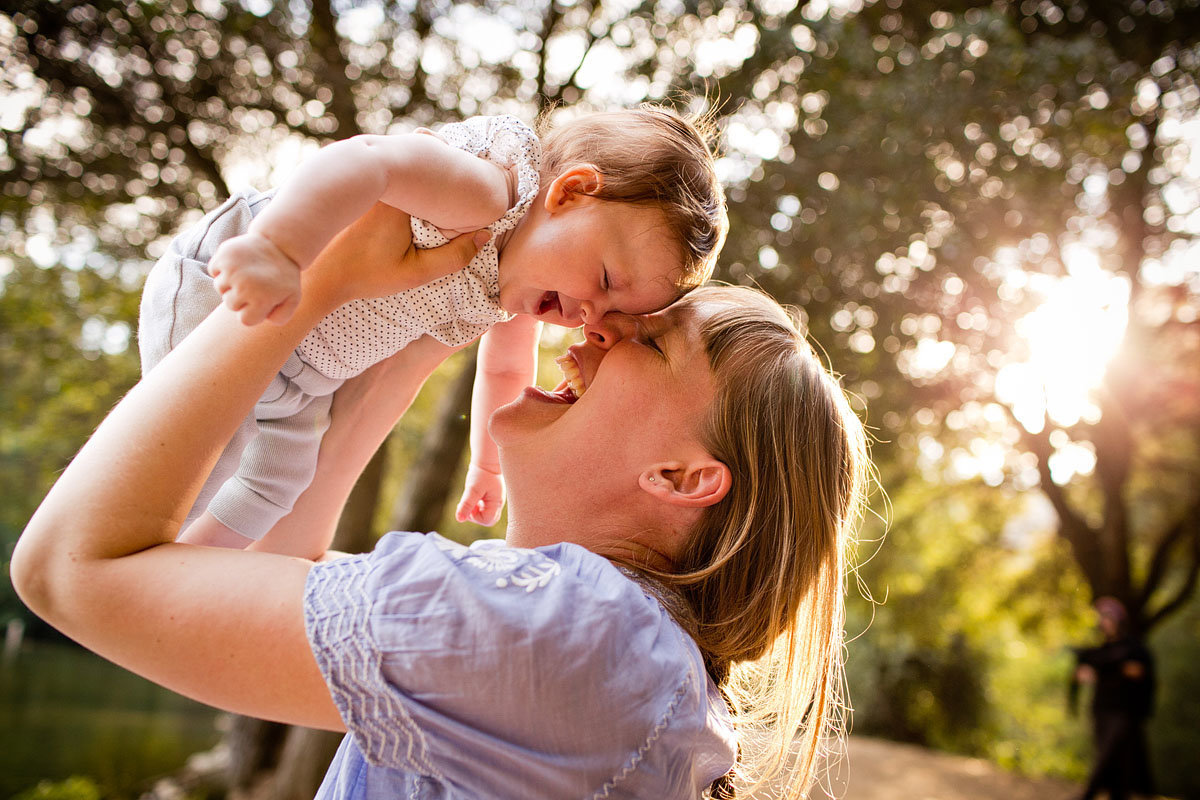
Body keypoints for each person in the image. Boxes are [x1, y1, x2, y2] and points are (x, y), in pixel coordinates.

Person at [12, 209, 868, 798]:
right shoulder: (616, 654)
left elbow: (69, 569)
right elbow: (269, 575)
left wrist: (310, 285)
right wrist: (427, 325)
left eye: (650, 338)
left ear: (683, 479)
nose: (595, 327)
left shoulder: (576, 635)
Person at [138, 106, 726, 551]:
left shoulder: (506, 291)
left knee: (277, 482)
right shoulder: (489, 191)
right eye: (602, 278)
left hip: (301, 371)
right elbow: (367, 160)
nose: (587, 314)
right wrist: (278, 248)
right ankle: (136, 551)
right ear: (570, 192)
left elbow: (504, 371)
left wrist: (488, 465)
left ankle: (188, 571)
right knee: (205, 454)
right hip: (227, 289)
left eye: (609, 313)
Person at [1071, 597, 1156, 800]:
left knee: (1110, 753)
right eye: (1101, 618)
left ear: (1118, 620)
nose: (1104, 622)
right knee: (1115, 757)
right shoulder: (1100, 651)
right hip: (1101, 708)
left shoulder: (1133, 648)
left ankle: (1089, 794)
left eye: (1108, 617)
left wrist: (1105, 670)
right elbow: (1084, 674)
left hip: (1124, 710)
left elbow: (1137, 671)